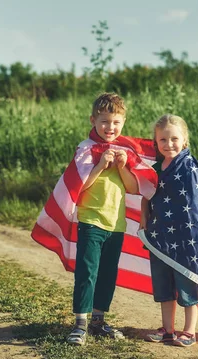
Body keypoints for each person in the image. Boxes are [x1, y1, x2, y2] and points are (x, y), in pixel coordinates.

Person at [64, 92, 151, 346]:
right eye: (104, 121)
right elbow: (80, 186)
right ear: (93, 120)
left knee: (108, 273)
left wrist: (123, 166)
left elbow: (133, 188)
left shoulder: (125, 151)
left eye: (115, 122)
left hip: (116, 223)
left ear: (123, 123)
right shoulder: (86, 150)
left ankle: (98, 320)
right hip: (91, 220)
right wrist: (100, 165)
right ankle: (80, 323)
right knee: (87, 271)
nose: (109, 127)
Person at [140, 114, 198, 347]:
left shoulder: (190, 167)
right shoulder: (154, 169)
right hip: (159, 235)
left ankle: (190, 330)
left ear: (184, 140)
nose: (169, 144)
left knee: (186, 283)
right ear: (156, 143)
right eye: (163, 140)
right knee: (163, 284)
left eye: (174, 138)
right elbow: (146, 195)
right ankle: (168, 329)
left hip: (185, 238)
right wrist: (144, 217)